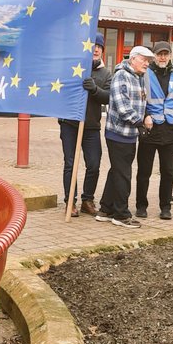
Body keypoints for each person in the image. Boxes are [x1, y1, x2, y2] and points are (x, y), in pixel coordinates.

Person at [96, 45, 153, 229]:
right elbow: (123, 108)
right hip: (119, 133)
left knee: (117, 171)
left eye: (148, 61)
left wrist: (143, 119)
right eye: (143, 59)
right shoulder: (122, 75)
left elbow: (140, 103)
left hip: (128, 134)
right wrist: (139, 123)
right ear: (133, 59)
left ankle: (106, 209)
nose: (147, 63)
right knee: (123, 174)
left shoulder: (138, 77)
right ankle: (121, 214)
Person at [135, 41, 173, 220]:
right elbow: (136, 98)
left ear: (170, 55)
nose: (162, 57)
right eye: (159, 54)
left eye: (165, 54)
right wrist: (145, 115)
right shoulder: (144, 73)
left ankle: (165, 207)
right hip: (149, 130)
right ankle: (141, 206)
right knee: (144, 172)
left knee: (168, 172)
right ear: (154, 55)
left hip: (170, 131)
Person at [60, 33, 112, 217]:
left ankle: (87, 200)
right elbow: (62, 90)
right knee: (70, 164)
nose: (96, 49)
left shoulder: (106, 74)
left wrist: (95, 89)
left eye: (99, 47)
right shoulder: (74, 68)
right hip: (69, 124)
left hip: (91, 127)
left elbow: (108, 97)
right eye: (92, 46)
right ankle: (70, 202)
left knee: (94, 164)